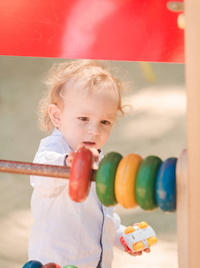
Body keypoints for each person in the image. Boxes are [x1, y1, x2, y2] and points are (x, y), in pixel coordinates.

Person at [28, 59, 150, 268]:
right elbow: (40, 178)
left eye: (105, 122)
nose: (94, 130)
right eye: (84, 118)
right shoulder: (54, 149)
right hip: (57, 261)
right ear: (57, 116)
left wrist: (121, 236)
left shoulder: (99, 159)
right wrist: (66, 164)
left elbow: (101, 214)